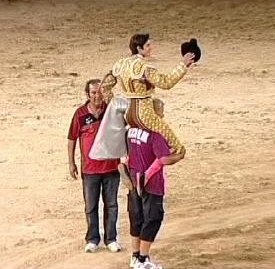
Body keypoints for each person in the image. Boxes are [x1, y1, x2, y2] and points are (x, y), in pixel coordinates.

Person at [95, 33, 195, 159]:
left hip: (127, 113)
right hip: (145, 114)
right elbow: (166, 83)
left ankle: (126, 164)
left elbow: (104, 86)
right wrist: (183, 65)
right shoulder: (145, 68)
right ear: (139, 48)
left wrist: (114, 103)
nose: (150, 48)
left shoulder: (120, 64)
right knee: (177, 148)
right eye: (147, 45)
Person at [126, 100, 184, 269]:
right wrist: (180, 155)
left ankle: (135, 256)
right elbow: (164, 159)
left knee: (136, 217)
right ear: (153, 114)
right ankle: (143, 260)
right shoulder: (156, 134)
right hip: (151, 182)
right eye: (161, 112)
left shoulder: (131, 130)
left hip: (133, 176)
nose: (162, 116)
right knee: (152, 218)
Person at [67, 79, 122, 253]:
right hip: (89, 170)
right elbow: (72, 138)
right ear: (87, 94)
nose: (97, 96)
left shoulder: (111, 111)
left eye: (100, 92)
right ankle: (92, 239)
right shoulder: (80, 114)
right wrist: (71, 163)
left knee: (111, 205)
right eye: (93, 92)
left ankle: (111, 239)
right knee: (91, 206)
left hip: (112, 168)